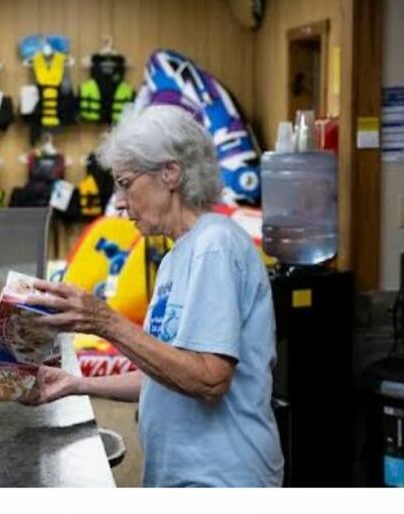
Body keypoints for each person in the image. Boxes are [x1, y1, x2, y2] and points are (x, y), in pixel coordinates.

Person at [23, 104, 283, 487]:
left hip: (222, 481)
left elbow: (209, 381)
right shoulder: (175, 257)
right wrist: (77, 384)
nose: (121, 201)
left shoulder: (215, 245)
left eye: (126, 183)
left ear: (170, 172)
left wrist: (104, 321)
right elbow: (166, 374)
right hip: (181, 477)